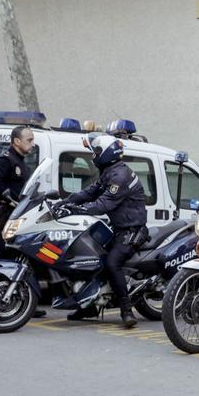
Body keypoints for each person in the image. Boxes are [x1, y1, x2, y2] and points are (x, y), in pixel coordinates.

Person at [52, 135, 148, 329]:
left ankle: (126, 309)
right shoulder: (110, 172)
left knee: (113, 263)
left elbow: (103, 204)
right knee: (93, 258)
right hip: (119, 229)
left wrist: (78, 209)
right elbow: (90, 192)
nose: (93, 156)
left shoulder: (120, 176)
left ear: (106, 154)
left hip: (132, 230)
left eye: (96, 152)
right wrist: (66, 201)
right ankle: (89, 307)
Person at [0, 125, 44, 318]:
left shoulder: (21, 162)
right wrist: (7, 196)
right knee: (5, 258)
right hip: (5, 215)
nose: (32, 144)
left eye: (33, 140)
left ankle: (26, 303)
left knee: (23, 258)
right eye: (29, 140)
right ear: (17, 141)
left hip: (18, 216)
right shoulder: (6, 160)